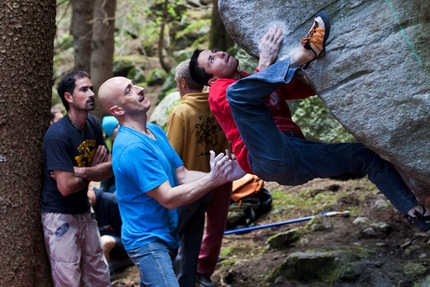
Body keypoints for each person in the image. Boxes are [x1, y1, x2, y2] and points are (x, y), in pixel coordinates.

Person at [188, 11, 430, 232]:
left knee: (367, 158)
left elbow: (308, 83)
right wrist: (265, 64)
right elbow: (245, 102)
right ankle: (301, 54)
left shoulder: (251, 80)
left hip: (298, 159)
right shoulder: (219, 91)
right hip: (264, 156)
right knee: (241, 94)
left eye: (215, 51)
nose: (219, 53)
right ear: (210, 80)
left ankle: (415, 213)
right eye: (211, 60)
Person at [97, 76, 245, 287]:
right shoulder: (133, 148)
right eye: (129, 90)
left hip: (166, 232)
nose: (139, 88)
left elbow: (182, 174)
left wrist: (228, 173)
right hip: (147, 242)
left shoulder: (155, 131)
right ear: (118, 110)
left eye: (134, 84)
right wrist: (213, 179)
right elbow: (167, 197)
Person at [41, 71, 113, 286]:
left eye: (91, 88)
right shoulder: (57, 135)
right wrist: (93, 170)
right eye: (84, 89)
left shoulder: (92, 124)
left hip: (83, 210)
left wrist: (83, 171)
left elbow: (109, 168)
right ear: (68, 97)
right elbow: (65, 186)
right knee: (69, 280)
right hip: (60, 215)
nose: (91, 93)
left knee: (99, 273)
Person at [167, 60, 232, 287]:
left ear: (183, 83)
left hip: (190, 186)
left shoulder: (181, 111)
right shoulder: (219, 105)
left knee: (173, 235)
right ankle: (193, 277)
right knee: (199, 235)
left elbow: (172, 155)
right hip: (218, 179)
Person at [87, 186, 133, 273]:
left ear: (89, 187)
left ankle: (103, 276)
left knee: (104, 241)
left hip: (124, 246)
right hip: (97, 252)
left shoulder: (111, 202)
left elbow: (129, 236)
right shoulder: (78, 209)